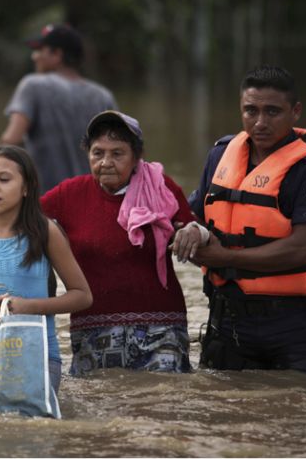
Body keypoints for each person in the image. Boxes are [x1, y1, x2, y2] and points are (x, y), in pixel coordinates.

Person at [171, 65, 306, 374]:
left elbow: (304, 249)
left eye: (272, 111)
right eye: (251, 110)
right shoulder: (221, 154)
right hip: (227, 318)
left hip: (295, 324)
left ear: (296, 111)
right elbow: (189, 217)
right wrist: (193, 233)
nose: (260, 122)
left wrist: (224, 258)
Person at [40, 110, 195, 375]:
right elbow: (23, 220)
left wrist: (193, 231)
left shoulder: (161, 188)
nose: (106, 162)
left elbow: (195, 231)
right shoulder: (69, 194)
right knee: (100, 406)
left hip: (162, 328)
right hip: (92, 328)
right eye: (98, 153)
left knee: (163, 403)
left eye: (117, 153)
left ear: (136, 157)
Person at [0, 145, 93, 395]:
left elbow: (82, 296)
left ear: (26, 187)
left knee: (36, 428)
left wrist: (27, 307)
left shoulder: (45, 231)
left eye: (3, 179)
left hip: (38, 356)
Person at [0, 23, 118, 193]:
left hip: (47, 202)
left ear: (57, 54)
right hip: (92, 201)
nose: (34, 57)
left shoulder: (32, 85)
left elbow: (10, 141)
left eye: (40, 50)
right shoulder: (103, 96)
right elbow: (123, 150)